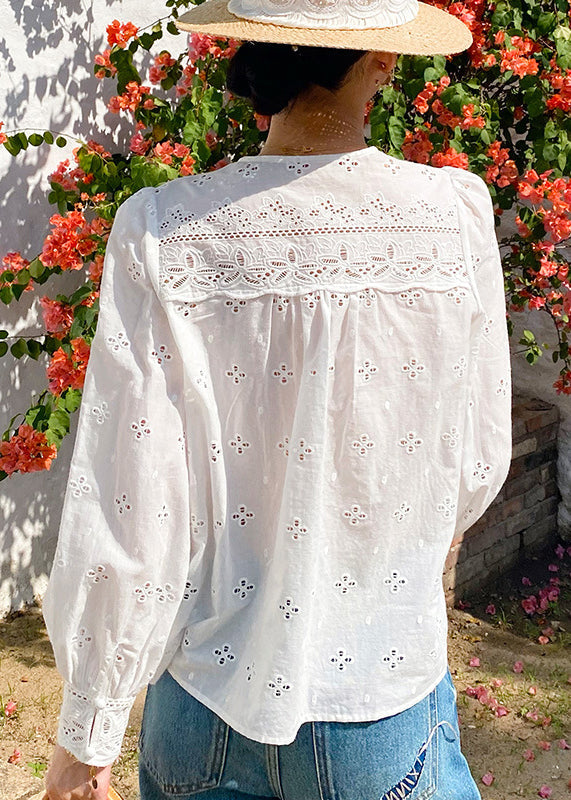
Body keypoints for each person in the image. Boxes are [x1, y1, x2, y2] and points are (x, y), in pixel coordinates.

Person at [42, 0, 513, 798]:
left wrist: (88, 735)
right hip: (375, 696)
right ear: (382, 59)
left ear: (251, 45)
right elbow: (474, 464)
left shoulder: (163, 228)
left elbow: (132, 505)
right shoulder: (449, 217)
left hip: (199, 705)